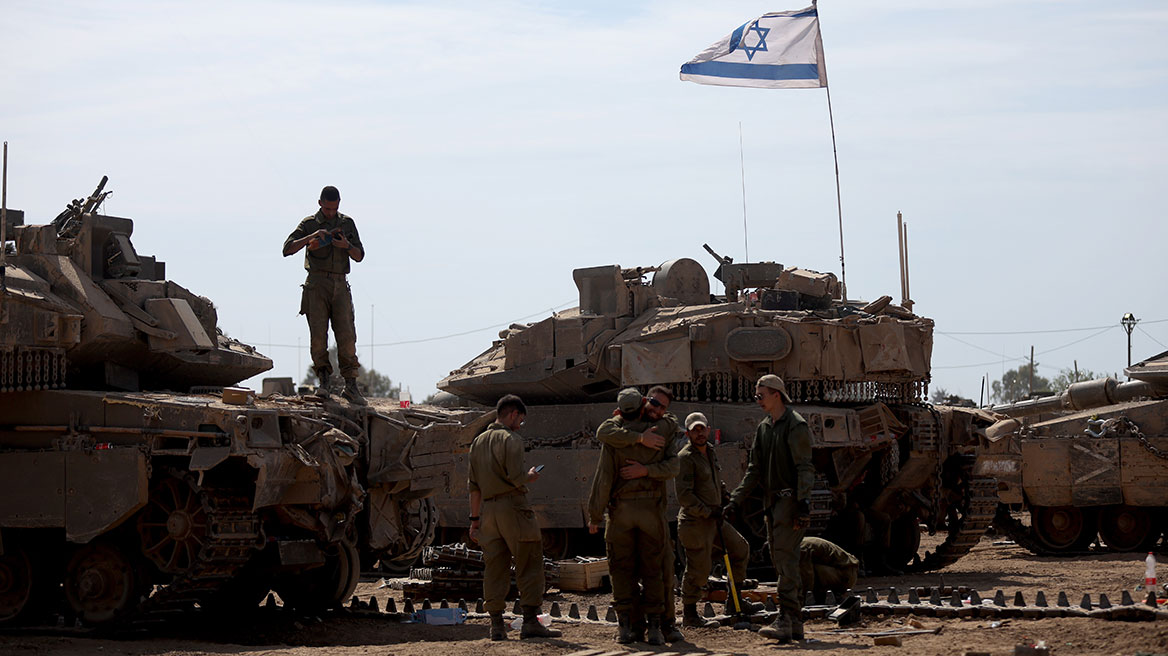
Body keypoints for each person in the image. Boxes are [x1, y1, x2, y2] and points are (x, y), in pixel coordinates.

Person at [586, 386, 680, 645]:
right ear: (643, 403)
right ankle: (655, 627)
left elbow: (603, 478)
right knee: (654, 569)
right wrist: (649, 468)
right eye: (653, 404)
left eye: (661, 406)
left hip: (621, 512)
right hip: (651, 511)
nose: (657, 409)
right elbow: (674, 463)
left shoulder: (615, 437)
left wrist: (594, 515)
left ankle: (626, 627)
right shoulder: (661, 430)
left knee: (620, 569)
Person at [726, 375, 814, 642]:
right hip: (772, 503)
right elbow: (754, 469)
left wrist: (803, 502)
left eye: (761, 395)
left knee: (786, 560)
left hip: (790, 502)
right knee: (779, 560)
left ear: (777, 394)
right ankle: (793, 621)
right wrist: (736, 499)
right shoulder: (765, 427)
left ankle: (787, 618)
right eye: (756, 395)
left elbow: (804, 466)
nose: (758, 400)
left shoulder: (795, 425)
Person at [467, 394, 560, 640]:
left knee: (494, 567)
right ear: (513, 414)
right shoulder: (512, 440)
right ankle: (530, 622)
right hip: (514, 509)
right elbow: (517, 477)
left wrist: (474, 521)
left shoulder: (477, 442)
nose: (520, 425)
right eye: (520, 420)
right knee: (529, 562)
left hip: (488, 512)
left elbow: (473, 487)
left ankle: (496, 625)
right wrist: (530, 475)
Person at [282, 185, 366, 405]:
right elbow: (287, 249)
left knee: (347, 336)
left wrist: (346, 245)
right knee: (318, 336)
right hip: (316, 285)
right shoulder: (309, 223)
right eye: (327, 209)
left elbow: (359, 256)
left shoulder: (347, 223)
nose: (330, 213)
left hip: (340, 284)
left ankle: (351, 386)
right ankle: (324, 382)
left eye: (334, 209)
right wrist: (312, 237)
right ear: (320, 204)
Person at [675, 412, 756, 626]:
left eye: (702, 429)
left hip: (715, 518)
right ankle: (690, 613)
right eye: (695, 430)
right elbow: (685, 496)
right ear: (688, 433)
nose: (699, 433)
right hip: (695, 521)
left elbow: (715, 481)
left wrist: (725, 497)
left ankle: (735, 601)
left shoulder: (710, 451)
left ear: (708, 429)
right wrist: (707, 511)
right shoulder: (685, 457)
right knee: (698, 567)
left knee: (740, 549)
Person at [799, 536, 859, 605]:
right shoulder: (799, 543)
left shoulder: (801, 548)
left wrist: (803, 599)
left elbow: (807, 577)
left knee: (808, 569)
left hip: (846, 574)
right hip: (845, 571)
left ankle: (825, 596)